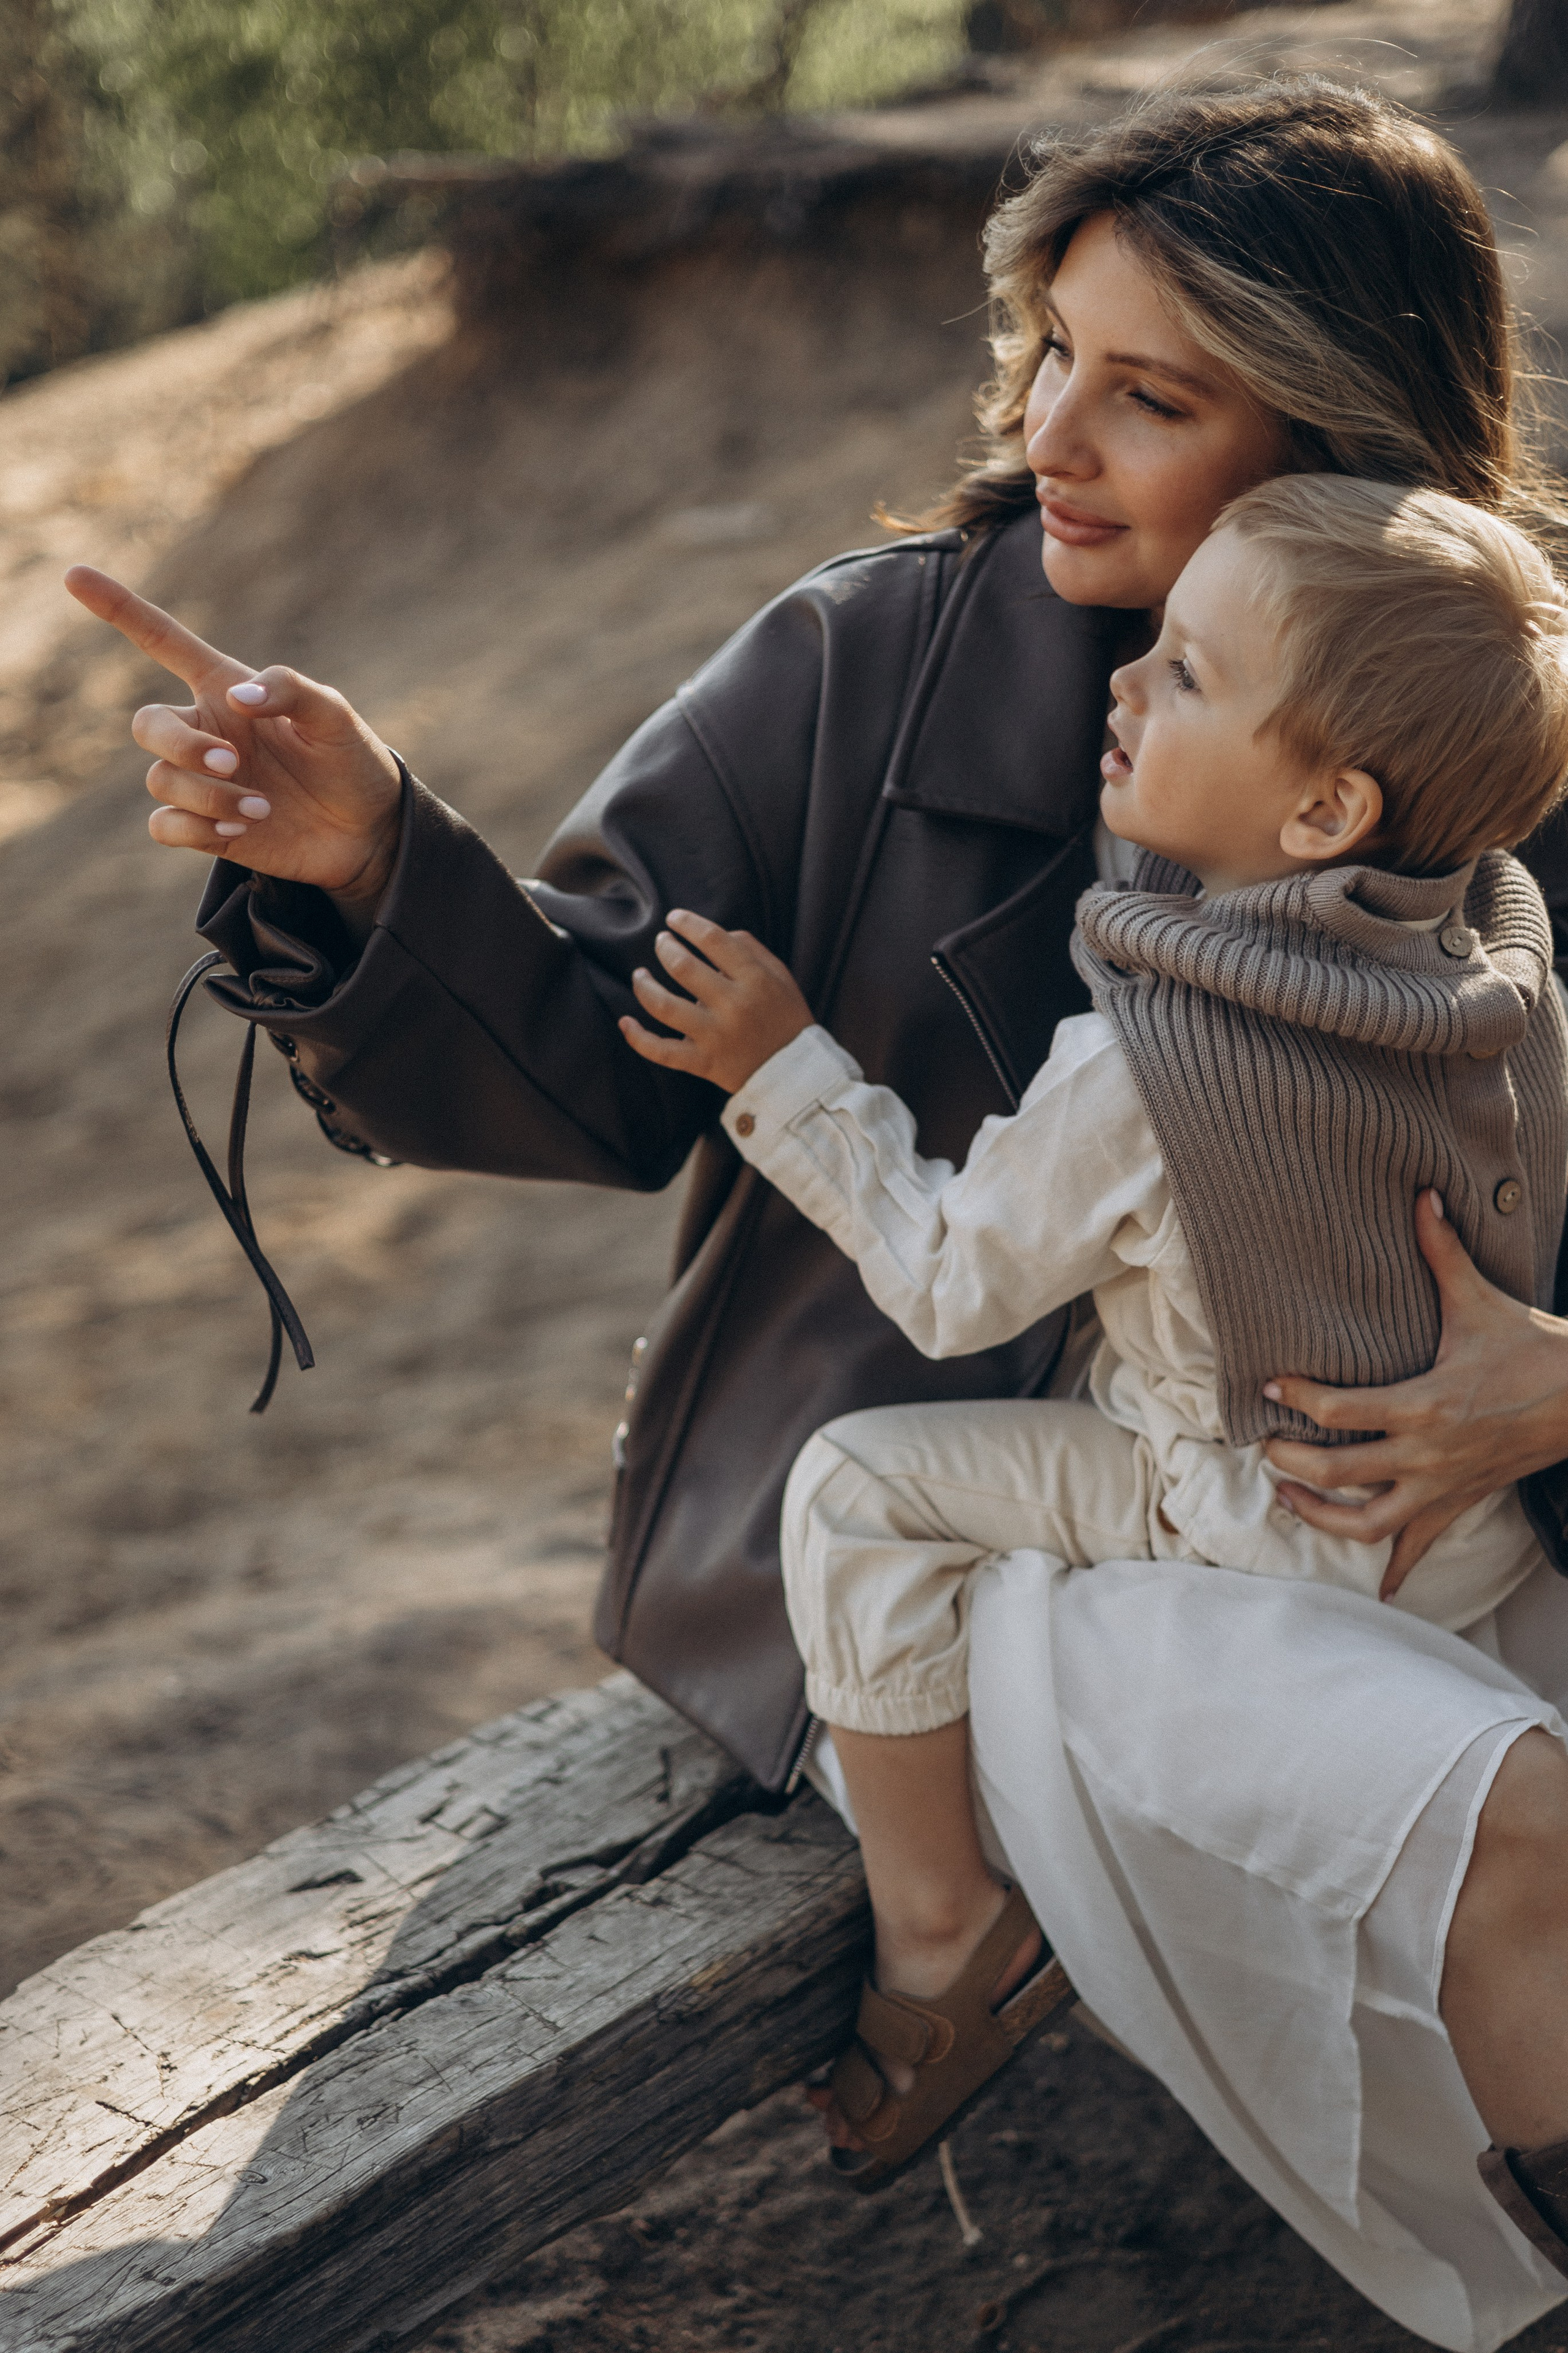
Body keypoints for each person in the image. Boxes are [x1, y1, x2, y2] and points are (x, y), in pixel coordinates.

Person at [61, 81, 1568, 2346]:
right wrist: (372, 860)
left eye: (1148, 395)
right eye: (1050, 350)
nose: (1054, 432)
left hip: (1444, 1525)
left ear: (1348, 443)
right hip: (996, 1549)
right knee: (1520, 1839)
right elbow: (604, 1068)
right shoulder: (867, 662)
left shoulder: (1500, 717)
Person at [614, 471, 1568, 2191]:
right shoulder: (1501, 965)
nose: (1122, 685)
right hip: (1463, 1532)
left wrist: (784, 1069)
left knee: (854, 1491)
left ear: (1326, 803)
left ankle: (937, 1924)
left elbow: (951, 1279)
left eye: (1187, 675)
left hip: (1253, 1528)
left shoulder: (1152, 1062)